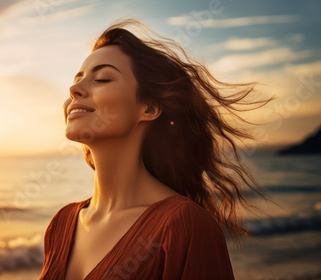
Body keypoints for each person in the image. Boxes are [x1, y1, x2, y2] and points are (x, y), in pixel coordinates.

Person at [39, 19, 267, 280]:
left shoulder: (182, 224)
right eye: (77, 79)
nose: (74, 89)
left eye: (102, 78)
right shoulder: (62, 223)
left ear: (148, 108)